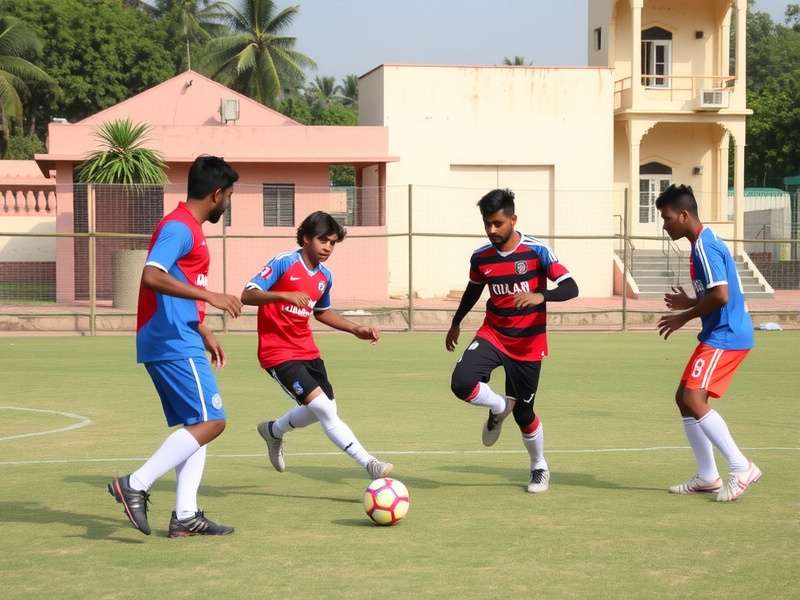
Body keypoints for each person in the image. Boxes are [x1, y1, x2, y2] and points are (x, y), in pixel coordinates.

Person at [107, 156, 242, 537]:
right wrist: (210, 296)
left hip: (179, 335)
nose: (228, 204)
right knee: (213, 421)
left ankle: (185, 515)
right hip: (170, 340)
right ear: (216, 194)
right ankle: (135, 483)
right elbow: (151, 275)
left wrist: (202, 328)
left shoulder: (189, 228)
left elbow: (177, 287)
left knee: (197, 423)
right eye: (229, 196)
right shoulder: (179, 227)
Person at [242, 211, 393, 480]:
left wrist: (355, 329)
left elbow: (322, 312)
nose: (328, 247)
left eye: (333, 242)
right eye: (323, 240)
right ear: (306, 238)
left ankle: (273, 431)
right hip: (277, 353)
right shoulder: (284, 262)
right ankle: (370, 464)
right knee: (323, 408)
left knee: (324, 409)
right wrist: (283, 295)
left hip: (307, 350)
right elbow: (248, 294)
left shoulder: (325, 276)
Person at [446, 189, 579, 493]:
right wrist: (456, 322)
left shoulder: (537, 251)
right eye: (487, 224)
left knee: (524, 413)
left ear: (513, 220)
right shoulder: (481, 257)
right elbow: (473, 289)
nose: (492, 230)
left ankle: (539, 466)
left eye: (498, 223)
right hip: (493, 334)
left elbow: (571, 287)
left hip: (528, 345)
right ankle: (497, 407)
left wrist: (541, 296)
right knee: (461, 382)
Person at [656, 184, 761, 502]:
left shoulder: (705, 246)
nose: (664, 225)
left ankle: (741, 467)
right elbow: (715, 292)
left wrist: (684, 316)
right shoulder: (702, 243)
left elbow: (721, 296)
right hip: (720, 333)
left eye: (667, 218)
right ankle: (707, 476)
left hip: (727, 335)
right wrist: (691, 301)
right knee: (684, 398)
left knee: (693, 397)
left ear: (683, 215)